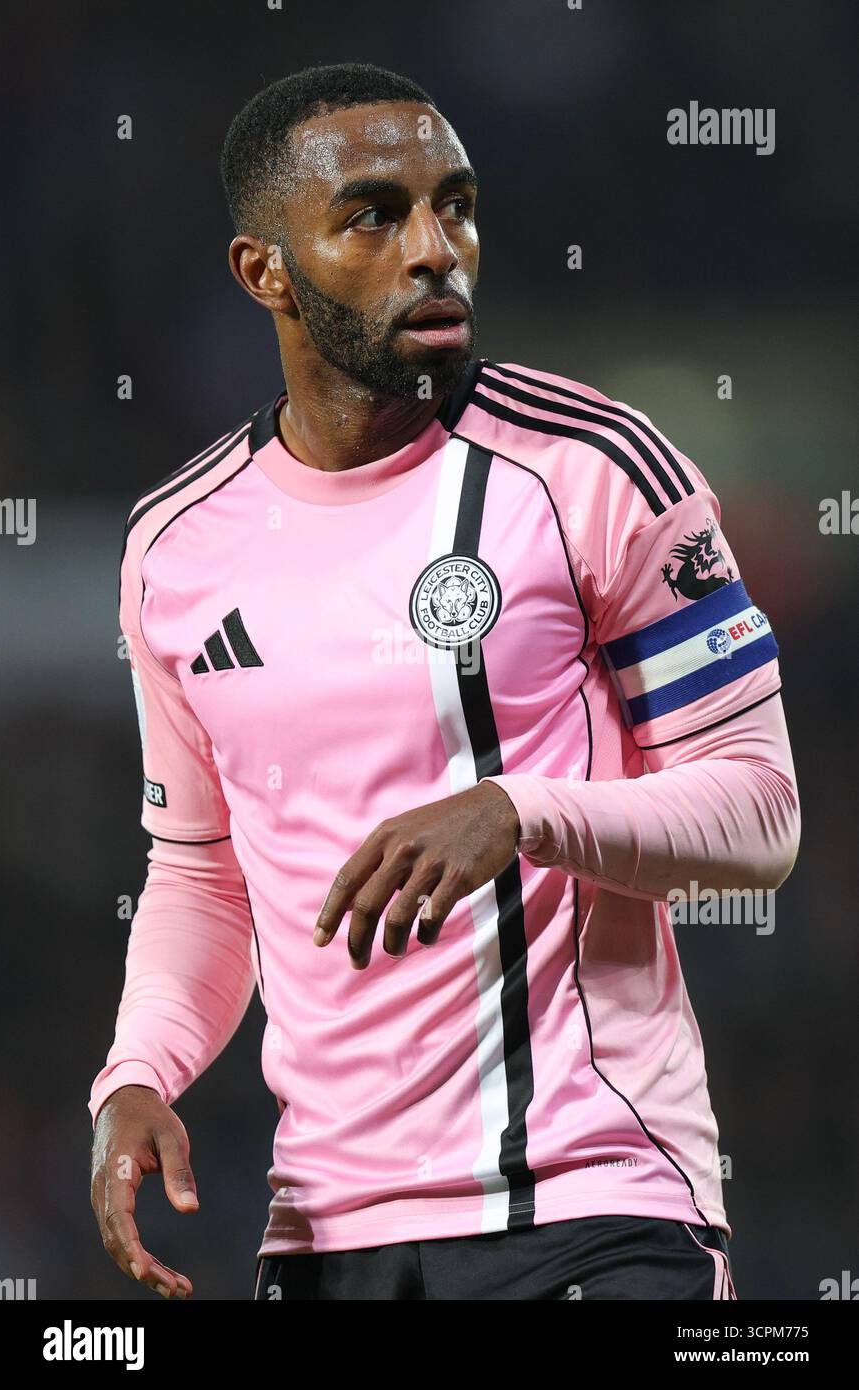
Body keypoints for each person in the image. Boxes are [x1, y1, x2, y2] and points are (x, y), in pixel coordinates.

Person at [88, 62, 800, 1301]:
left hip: (595, 1198)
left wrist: (518, 810)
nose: (435, 248)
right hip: (321, 1230)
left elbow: (757, 810)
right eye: (374, 213)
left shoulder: (594, 470)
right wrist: (138, 1070)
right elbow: (200, 866)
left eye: (454, 204)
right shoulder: (174, 544)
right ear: (265, 272)